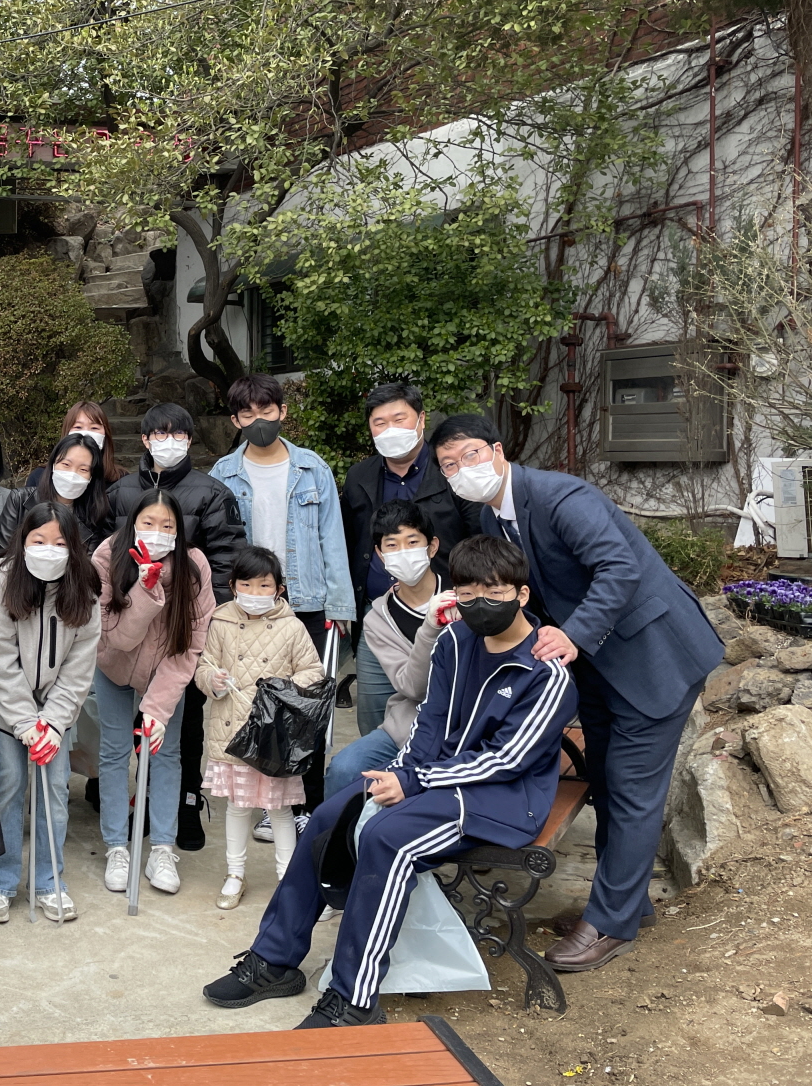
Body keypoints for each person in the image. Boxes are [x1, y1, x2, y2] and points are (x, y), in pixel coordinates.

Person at [203, 535, 577, 1027]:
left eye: (494, 592)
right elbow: (429, 723)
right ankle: (274, 959)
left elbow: (505, 761)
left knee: (388, 839)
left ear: (521, 595)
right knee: (329, 815)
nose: (479, 604)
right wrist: (402, 773)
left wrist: (415, 781)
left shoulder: (546, 673)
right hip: (434, 779)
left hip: (501, 800)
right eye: (467, 594)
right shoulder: (455, 641)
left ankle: (353, 999)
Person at [429, 413, 724, 971]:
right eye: (449, 465)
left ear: (497, 450)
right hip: (599, 666)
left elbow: (619, 568)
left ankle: (610, 924)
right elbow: (532, 590)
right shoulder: (494, 515)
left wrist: (573, 635)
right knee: (607, 780)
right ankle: (628, 904)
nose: (462, 469)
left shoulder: (561, 497)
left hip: (652, 656)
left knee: (631, 789)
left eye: (470, 455)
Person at [210, 374, 352, 816]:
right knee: (254, 706)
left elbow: (332, 536)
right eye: (247, 413)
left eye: (266, 410)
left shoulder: (312, 468)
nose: (259, 420)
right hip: (249, 605)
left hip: (307, 603)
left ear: (282, 411)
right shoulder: (223, 473)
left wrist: (340, 603)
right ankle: (264, 806)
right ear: (235, 420)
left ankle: (306, 808)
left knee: (307, 707)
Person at [112, 402, 246, 851]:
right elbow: (105, 554)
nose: (168, 442)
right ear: (145, 440)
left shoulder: (212, 493)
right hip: (130, 626)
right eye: (159, 434)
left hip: (181, 632)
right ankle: (140, 802)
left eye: (178, 434)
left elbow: (225, 563)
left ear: (189, 440)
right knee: (128, 725)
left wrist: (208, 625)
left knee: (182, 726)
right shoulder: (121, 492)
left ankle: (185, 802)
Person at [0, 501, 102, 923]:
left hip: (55, 715)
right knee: (9, 784)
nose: (49, 550)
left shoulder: (85, 588)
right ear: (23, 541)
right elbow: (1, 657)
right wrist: (26, 723)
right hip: (4, 709)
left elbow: (79, 667)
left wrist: (52, 722)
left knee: (54, 791)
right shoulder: (5, 580)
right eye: (39, 540)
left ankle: (49, 881)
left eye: (60, 543)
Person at [92, 487, 216, 895]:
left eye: (167, 525)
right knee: (114, 752)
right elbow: (115, 638)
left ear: (179, 530)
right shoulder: (108, 556)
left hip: (166, 670)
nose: (157, 532)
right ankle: (117, 846)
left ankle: (162, 847)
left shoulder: (194, 565)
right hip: (113, 665)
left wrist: (158, 709)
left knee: (165, 752)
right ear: (133, 523)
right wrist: (145, 592)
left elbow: (190, 645)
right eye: (148, 522)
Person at [340, 383, 480, 733]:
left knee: (448, 710)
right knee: (375, 721)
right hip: (379, 616)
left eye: (399, 419)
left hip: (447, 611)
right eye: (380, 422)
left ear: (421, 419)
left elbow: (479, 540)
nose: (390, 429)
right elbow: (349, 539)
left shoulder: (449, 469)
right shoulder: (359, 476)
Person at [195, 546, 324, 910]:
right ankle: (235, 874)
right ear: (233, 585)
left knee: (279, 809)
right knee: (237, 806)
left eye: (264, 585)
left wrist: (283, 688)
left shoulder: (292, 626)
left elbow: (313, 671)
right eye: (246, 584)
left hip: (273, 737)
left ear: (279, 589)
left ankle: (288, 879)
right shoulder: (220, 621)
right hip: (232, 730)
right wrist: (213, 680)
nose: (254, 593)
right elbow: (203, 666)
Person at [325, 500, 447, 798]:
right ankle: (331, 829)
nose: (403, 552)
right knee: (344, 769)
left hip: (466, 723)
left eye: (412, 542)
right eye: (392, 545)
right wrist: (431, 626)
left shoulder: (462, 595)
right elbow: (412, 687)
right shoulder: (379, 617)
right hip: (411, 726)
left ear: (432, 546)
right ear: (380, 554)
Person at [0, 433, 114, 555]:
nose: (72, 474)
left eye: (83, 469)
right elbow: (2, 554)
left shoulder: (94, 514)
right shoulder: (20, 500)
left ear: (92, 476)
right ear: (53, 464)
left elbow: (89, 562)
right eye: (66, 464)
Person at [26, 401, 126, 487]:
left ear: (106, 434)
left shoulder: (121, 481)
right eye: (78, 427)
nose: (86, 433)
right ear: (67, 432)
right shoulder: (40, 477)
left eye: (94, 428)